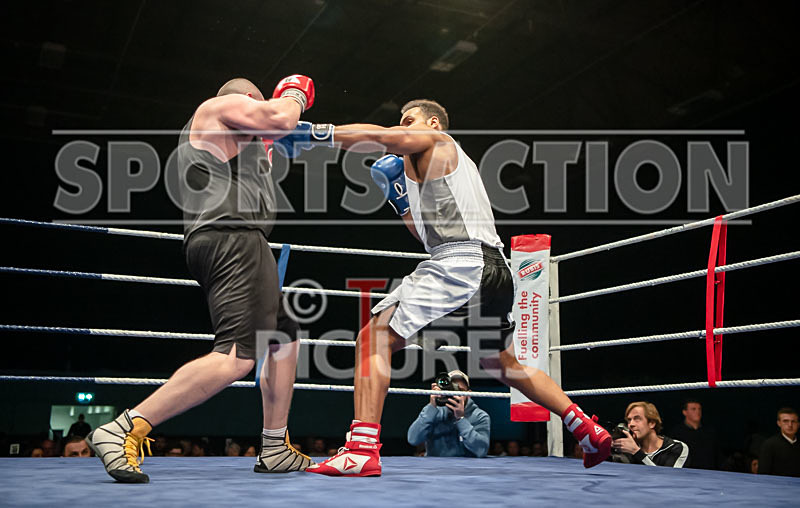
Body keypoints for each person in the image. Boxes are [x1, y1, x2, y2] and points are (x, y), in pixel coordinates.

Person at [278, 100, 611, 477]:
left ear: (432, 122)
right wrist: (400, 200)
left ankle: (361, 449)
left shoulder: (436, 139)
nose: (402, 127)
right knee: (502, 363)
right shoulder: (445, 169)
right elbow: (427, 235)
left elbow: (382, 138)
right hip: (493, 271)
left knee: (374, 337)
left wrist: (316, 135)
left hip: (461, 263)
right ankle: (584, 426)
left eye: (409, 120)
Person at [87, 76, 316, 483]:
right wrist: (294, 94)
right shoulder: (216, 107)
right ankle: (125, 426)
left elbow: (277, 137)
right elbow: (279, 118)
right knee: (236, 355)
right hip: (232, 237)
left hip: (237, 239)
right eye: (256, 108)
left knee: (283, 336)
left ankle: (275, 445)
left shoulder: (238, 144)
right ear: (246, 102)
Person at [407, 370, 490, 457]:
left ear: (469, 394)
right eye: (452, 389)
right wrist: (431, 406)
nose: (455, 393)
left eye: (460, 390)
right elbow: (413, 439)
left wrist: (460, 419)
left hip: (466, 468)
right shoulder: (435, 412)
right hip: (435, 468)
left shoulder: (480, 416)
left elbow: (481, 451)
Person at [612, 401, 689, 468]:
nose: (631, 424)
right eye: (629, 420)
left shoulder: (676, 448)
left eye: (637, 419)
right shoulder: (627, 448)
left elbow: (668, 479)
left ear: (651, 423)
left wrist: (637, 453)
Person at [669, 399, 719, 469]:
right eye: (693, 409)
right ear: (685, 412)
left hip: (708, 472)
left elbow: (716, 454)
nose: (697, 412)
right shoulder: (677, 432)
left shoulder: (709, 431)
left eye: (699, 409)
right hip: (686, 473)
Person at [758, 407, 800, 477]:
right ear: (779, 423)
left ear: (798, 424)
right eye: (785, 421)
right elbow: (763, 474)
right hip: (776, 486)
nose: (790, 425)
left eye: (793, 421)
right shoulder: (769, 444)